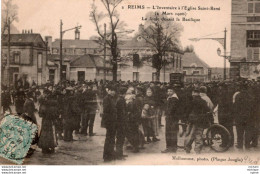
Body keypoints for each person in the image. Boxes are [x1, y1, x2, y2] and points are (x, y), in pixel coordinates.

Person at [184, 88, 210, 154]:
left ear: (193, 94)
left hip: (192, 121)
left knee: (190, 135)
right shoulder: (203, 101)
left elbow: (187, 111)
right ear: (199, 94)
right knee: (199, 135)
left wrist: (186, 119)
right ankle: (197, 151)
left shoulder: (192, 101)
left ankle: (187, 149)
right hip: (201, 121)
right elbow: (207, 109)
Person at [233, 84, 255, 149]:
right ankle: (247, 145)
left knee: (239, 131)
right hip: (249, 117)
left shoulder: (238, 96)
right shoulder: (251, 96)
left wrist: (235, 115)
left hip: (239, 117)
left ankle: (240, 145)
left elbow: (235, 107)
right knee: (248, 131)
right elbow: (253, 108)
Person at [38, 89, 58, 154]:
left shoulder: (43, 104)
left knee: (45, 133)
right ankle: (51, 147)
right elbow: (54, 113)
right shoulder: (52, 103)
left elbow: (40, 114)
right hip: (50, 120)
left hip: (45, 120)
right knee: (51, 133)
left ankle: (44, 147)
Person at [161, 86, 179, 153]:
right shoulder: (171, 98)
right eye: (168, 91)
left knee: (169, 132)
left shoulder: (173, 99)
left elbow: (171, 109)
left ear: (173, 92)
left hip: (171, 118)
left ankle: (169, 147)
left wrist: (167, 113)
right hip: (173, 118)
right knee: (173, 132)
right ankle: (173, 147)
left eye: (170, 91)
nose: (169, 92)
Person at [103, 86, 117, 162]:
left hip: (113, 121)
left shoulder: (112, 98)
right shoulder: (106, 99)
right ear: (108, 91)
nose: (113, 92)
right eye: (111, 90)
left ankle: (111, 153)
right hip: (109, 122)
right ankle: (107, 155)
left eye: (114, 91)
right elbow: (106, 111)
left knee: (112, 138)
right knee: (109, 138)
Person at [115, 87, 128, 160]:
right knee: (120, 138)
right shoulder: (121, 100)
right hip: (121, 122)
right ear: (124, 93)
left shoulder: (120, 99)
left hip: (121, 121)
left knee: (121, 138)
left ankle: (120, 153)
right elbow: (122, 112)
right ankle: (119, 155)